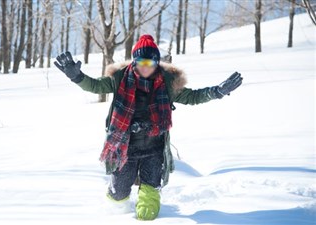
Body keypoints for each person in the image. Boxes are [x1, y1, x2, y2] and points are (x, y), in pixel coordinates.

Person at [54, 34, 243, 220]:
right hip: (125, 149)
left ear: (156, 63)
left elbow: (193, 97)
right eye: (141, 63)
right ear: (134, 62)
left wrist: (217, 91)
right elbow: (95, 86)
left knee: (148, 210)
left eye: (150, 64)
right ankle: (115, 214)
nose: (145, 68)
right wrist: (77, 76)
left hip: (154, 149)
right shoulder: (120, 78)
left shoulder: (168, 82)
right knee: (118, 197)